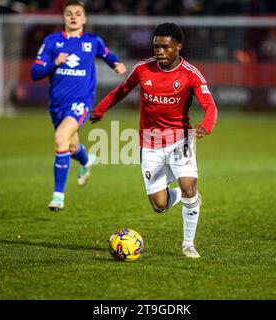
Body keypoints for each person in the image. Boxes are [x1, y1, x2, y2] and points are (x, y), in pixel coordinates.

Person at [90, 23, 217, 258]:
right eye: (156, 46)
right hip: (150, 145)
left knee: (189, 185)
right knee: (160, 205)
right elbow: (122, 89)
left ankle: (188, 244)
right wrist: (100, 110)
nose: (159, 51)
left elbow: (209, 105)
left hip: (181, 140)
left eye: (165, 47)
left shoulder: (190, 74)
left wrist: (206, 126)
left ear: (178, 47)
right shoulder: (143, 69)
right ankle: (183, 195)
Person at [31, 0, 127, 211]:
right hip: (57, 105)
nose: (73, 17)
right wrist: (54, 63)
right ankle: (86, 161)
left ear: (84, 18)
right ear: (63, 18)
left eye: (77, 13)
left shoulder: (92, 41)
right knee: (71, 146)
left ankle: (58, 196)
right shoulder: (51, 42)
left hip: (81, 103)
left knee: (60, 138)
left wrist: (116, 64)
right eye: (69, 13)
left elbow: (107, 55)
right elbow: (35, 73)